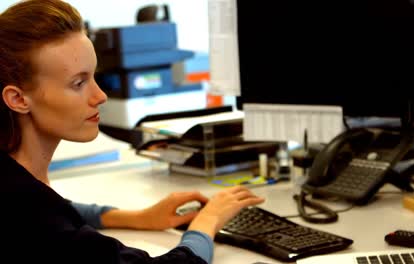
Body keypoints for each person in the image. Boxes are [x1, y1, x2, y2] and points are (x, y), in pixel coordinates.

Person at [0, 0, 265, 263]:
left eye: (95, 77)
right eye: (78, 83)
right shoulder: (36, 221)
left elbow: (60, 208)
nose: (100, 95)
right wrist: (207, 222)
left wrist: (137, 217)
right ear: (18, 99)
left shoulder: (19, 188)